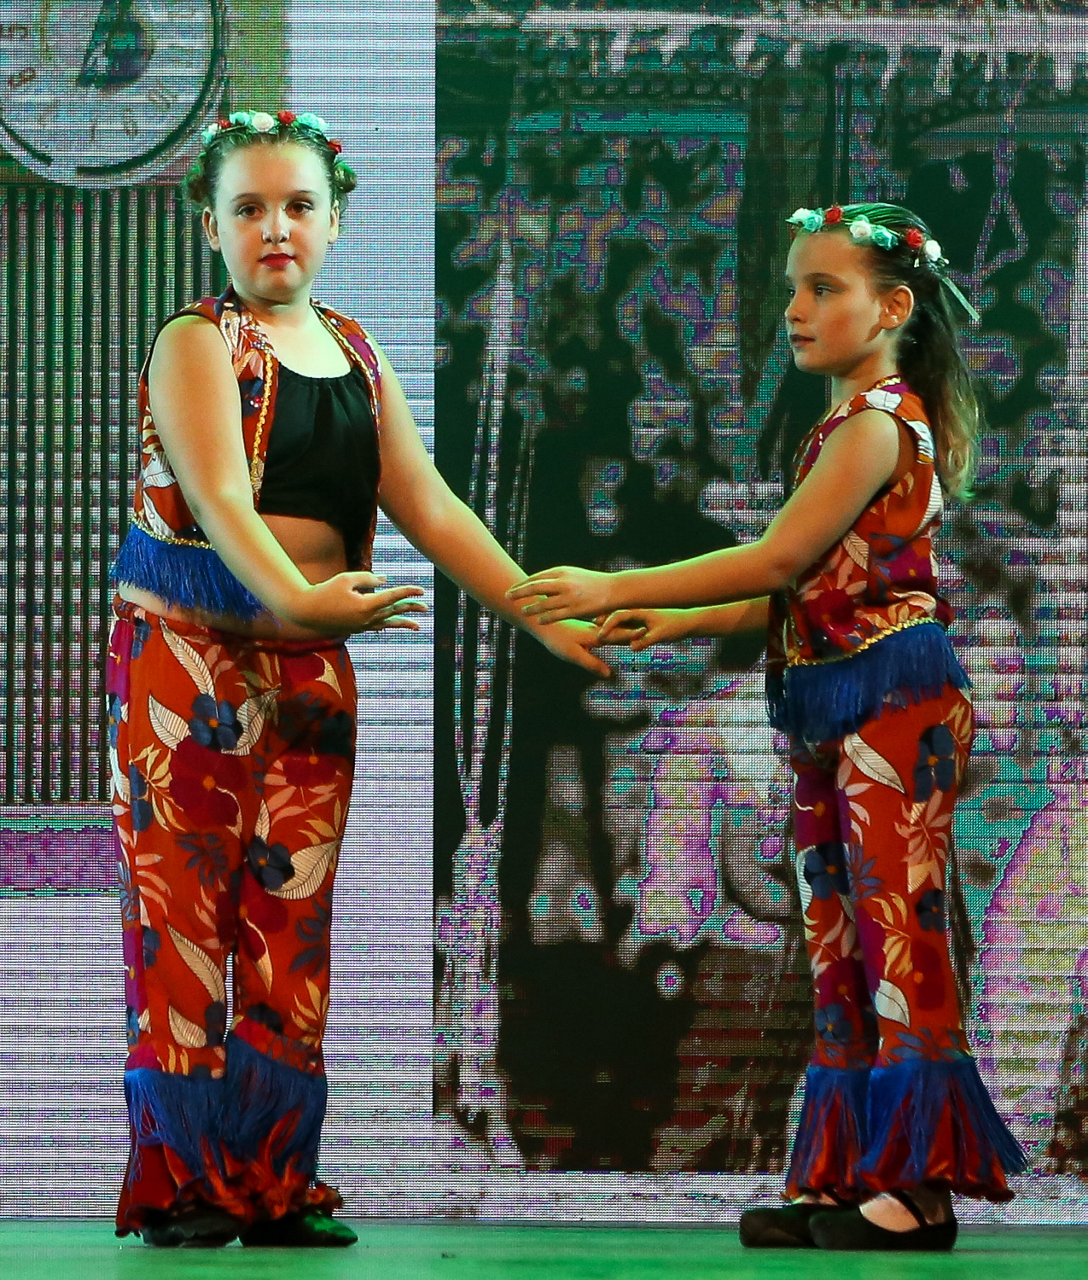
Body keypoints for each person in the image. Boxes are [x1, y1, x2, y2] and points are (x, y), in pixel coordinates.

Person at [107, 108, 607, 1249]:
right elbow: (221, 502)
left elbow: (429, 505)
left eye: (297, 205)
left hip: (312, 672)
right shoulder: (197, 342)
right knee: (183, 916)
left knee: (290, 923)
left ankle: (271, 1181)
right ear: (211, 227)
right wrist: (297, 600)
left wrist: (534, 612)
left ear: (335, 220)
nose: (274, 227)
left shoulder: (358, 354)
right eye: (248, 208)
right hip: (190, 664)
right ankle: (186, 1182)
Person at [507, 202, 1025, 1251]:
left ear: (892, 308)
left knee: (895, 937)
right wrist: (676, 619)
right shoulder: (839, 426)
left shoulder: (879, 423)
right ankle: (848, 1171)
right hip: (830, 704)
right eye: (794, 287)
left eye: (822, 289)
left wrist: (620, 582)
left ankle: (918, 1191)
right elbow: (796, 589)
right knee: (836, 944)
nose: (795, 308)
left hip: (892, 704)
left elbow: (778, 558)